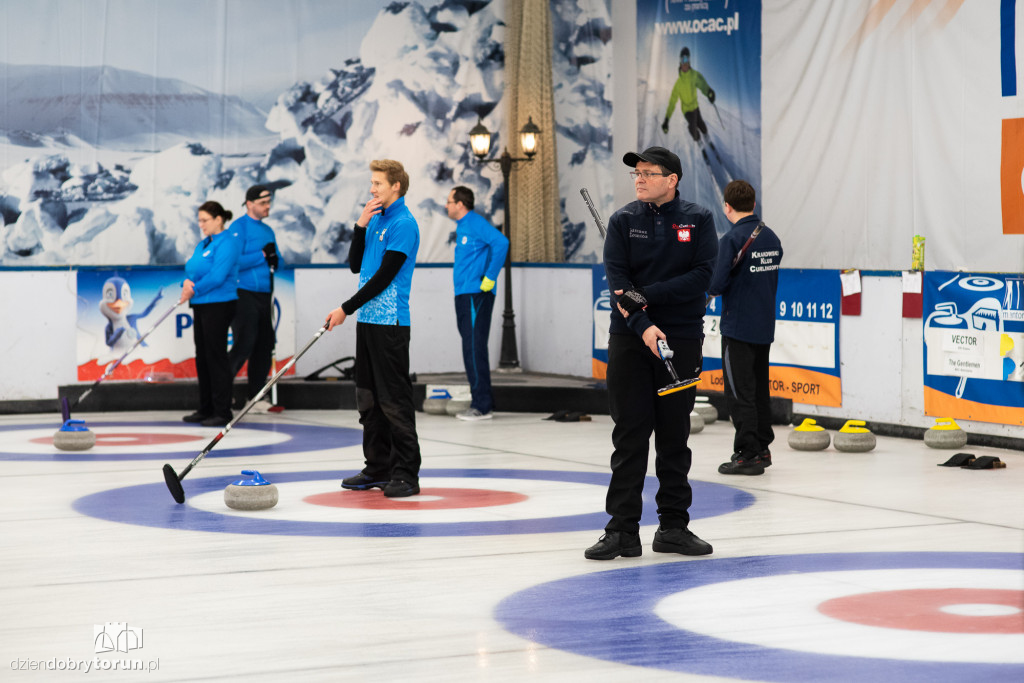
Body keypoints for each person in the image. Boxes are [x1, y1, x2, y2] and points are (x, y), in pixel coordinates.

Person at [585, 146, 719, 561]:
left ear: (671, 179)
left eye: (648, 172)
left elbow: (702, 276)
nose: (639, 179)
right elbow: (619, 285)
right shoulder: (623, 221)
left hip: (681, 338)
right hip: (630, 339)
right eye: (636, 173)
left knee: (675, 437)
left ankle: (673, 528)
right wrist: (643, 325)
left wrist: (647, 295)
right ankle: (621, 530)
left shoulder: (698, 219)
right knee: (629, 435)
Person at [325, 160, 422, 498]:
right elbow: (356, 266)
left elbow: (383, 278)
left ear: (396, 186)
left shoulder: (404, 224)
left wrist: (345, 308)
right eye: (372, 182)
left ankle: (406, 473)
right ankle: (377, 467)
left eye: (378, 183)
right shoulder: (377, 220)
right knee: (367, 399)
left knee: (393, 400)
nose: (372, 188)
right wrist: (360, 225)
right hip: (367, 322)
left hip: (390, 324)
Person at [707, 180, 783, 475]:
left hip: (738, 327)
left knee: (739, 392)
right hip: (763, 326)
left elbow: (716, 284)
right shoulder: (771, 237)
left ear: (726, 207)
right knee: (759, 389)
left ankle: (747, 453)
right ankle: (762, 448)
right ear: (753, 204)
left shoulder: (731, 239)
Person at [445, 185, 509, 421]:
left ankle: (481, 405)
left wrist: (490, 277)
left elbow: (501, 243)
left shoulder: (474, 222)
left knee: (473, 348)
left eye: (449, 201)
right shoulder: (464, 226)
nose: (446, 205)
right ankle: (482, 400)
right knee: (470, 347)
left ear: (460, 204)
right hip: (464, 294)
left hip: (476, 294)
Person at [180, 201, 242, 427]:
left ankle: (222, 410)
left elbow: (217, 276)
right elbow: (192, 270)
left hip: (219, 304)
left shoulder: (228, 243)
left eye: (205, 220)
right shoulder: (204, 243)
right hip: (200, 304)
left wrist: (193, 289)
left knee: (216, 357)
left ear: (218, 219)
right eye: (199, 220)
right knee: (203, 356)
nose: (201, 224)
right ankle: (205, 408)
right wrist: (186, 284)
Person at [228, 185, 279, 412]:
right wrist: (262, 255)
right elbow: (234, 261)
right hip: (243, 291)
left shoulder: (268, 231)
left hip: (264, 293)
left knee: (265, 344)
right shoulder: (238, 227)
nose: (267, 207)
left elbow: (276, 259)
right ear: (250, 204)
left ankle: (255, 397)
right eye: (263, 203)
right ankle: (222, 394)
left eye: (269, 202)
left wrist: (274, 259)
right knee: (244, 342)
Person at [661, 46, 716, 145]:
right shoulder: (678, 84)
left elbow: (702, 84)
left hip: (695, 107)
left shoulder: (694, 75)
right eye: (683, 59)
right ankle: (699, 140)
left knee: (701, 124)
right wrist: (666, 119)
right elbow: (672, 102)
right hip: (686, 110)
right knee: (692, 127)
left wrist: (709, 92)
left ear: (689, 61)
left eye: (687, 59)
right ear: (680, 62)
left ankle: (706, 135)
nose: (685, 63)